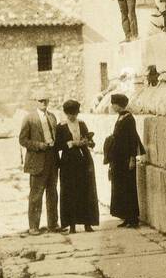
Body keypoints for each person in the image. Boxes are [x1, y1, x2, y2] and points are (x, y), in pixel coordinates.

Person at [54, 98, 100, 233]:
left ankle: (87, 223)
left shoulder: (82, 124)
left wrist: (87, 142)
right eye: (69, 114)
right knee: (70, 191)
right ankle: (72, 224)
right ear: (66, 113)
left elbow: (91, 141)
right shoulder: (61, 126)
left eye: (74, 114)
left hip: (83, 160)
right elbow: (57, 145)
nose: (72, 116)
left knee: (86, 190)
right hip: (69, 162)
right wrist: (70, 144)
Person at [17, 90, 60, 234]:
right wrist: (39, 145)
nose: (43, 103)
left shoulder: (52, 117)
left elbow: (56, 136)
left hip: (52, 159)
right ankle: (34, 226)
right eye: (41, 101)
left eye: (46, 100)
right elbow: (22, 140)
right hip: (37, 160)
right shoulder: (29, 119)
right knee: (36, 195)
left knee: (52, 193)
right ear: (35, 102)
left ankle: (53, 224)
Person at [105, 92, 145, 228]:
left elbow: (132, 139)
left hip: (126, 159)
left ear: (118, 105)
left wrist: (132, 158)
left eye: (113, 104)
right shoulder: (121, 117)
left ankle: (133, 218)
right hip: (118, 159)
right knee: (121, 188)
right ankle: (127, 217)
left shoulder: (129, 118)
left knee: (129, 188)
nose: (112, 106)